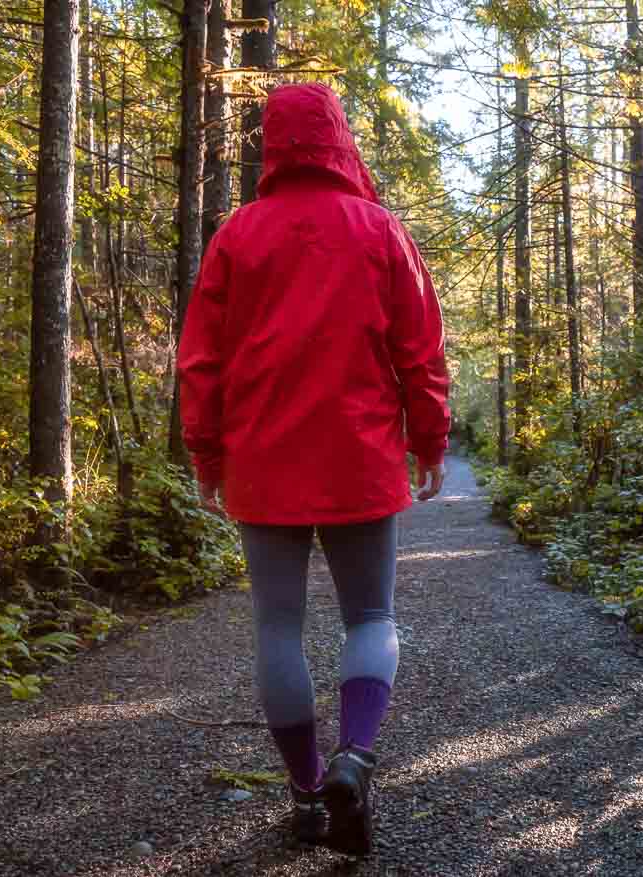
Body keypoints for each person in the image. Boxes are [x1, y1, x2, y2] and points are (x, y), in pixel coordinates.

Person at [176, 81, 450, 856]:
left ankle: (305, 796)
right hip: (359, 458)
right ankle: (355, 759)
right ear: (338, 137)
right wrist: (429, 440)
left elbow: (201, 361)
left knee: (277, 628)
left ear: (272, 142)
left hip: (263, 463)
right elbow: (421, 350)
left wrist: (207, 453)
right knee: (371, 618)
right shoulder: (380, 229)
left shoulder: (238, 235)